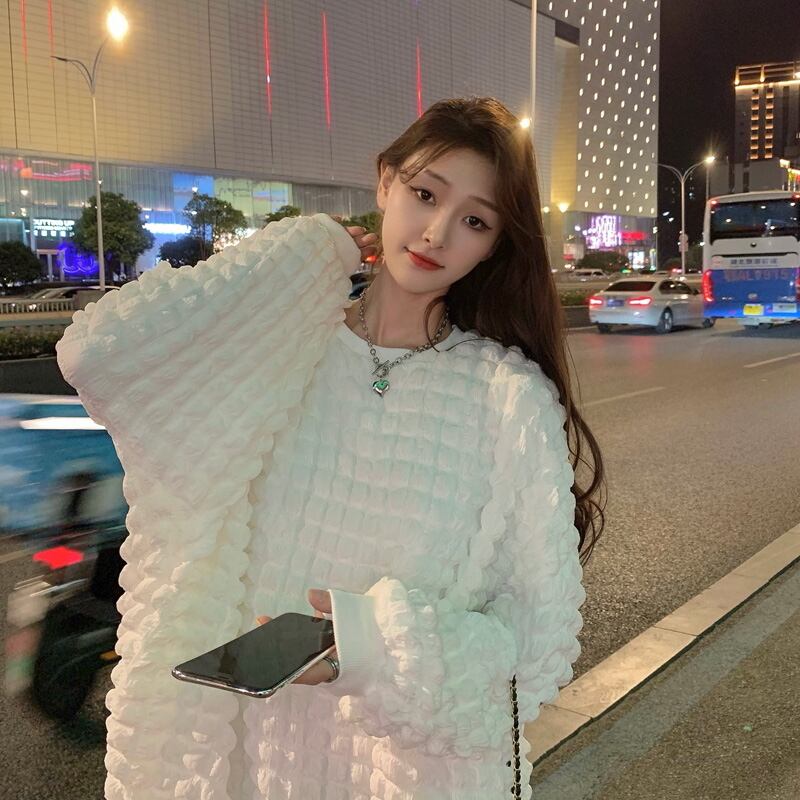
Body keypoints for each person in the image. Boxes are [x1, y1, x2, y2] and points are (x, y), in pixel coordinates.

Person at [57, 96, 605, 800]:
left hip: (397, 775)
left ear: (494, 245)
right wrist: (310, 254)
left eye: (475, 221)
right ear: (385, 181)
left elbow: (535, 644)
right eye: (424, 194)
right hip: (242, 763)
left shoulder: (508, 399)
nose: (436, 232)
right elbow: (98, 355)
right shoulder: (280, 347)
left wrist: (378, 649)